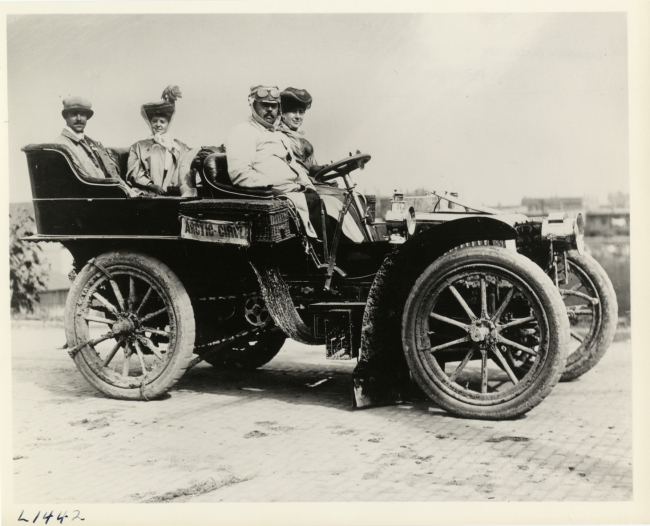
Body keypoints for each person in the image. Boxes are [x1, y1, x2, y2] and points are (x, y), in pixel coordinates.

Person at [225, 85, 321, 237]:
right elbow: (240, 173)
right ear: (253, 104)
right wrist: (271, 188)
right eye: (264, 105)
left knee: (326, 202)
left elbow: (295, 166)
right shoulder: (243, 131)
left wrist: (309, 186)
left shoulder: (279, 136)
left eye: (273, 106)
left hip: (293, 193)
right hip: (272, 196)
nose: (270, 110)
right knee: (316, 205)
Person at [278, 87, 365, 242]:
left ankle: (361, 241)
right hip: (296, 189)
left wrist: (329, 168)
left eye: (301, 112)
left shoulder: (303, 142)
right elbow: (295, 171)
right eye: (293, 112)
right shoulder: (278, 139)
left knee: (354, 197)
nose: (298, 116)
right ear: (282, 114)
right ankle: (344, 247)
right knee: (335, 201)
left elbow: (311, 168)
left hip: (310, 184)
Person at [126, 86, 197, 197]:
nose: (158, 125)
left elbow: (188, 167)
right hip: (148, 193)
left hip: (175, 194)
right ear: (150, 123)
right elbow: (133, 171)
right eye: (154, 121)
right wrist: (150, 185)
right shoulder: (138, 146)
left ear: (168, 124)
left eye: (162, 122)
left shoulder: (178, 146)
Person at [54, 96, 122, 180]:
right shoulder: (61, 145)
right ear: (66, 117)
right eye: (74, 114)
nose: (79, 119)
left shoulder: (93, 143)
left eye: (82, 114)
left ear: (87, 118)